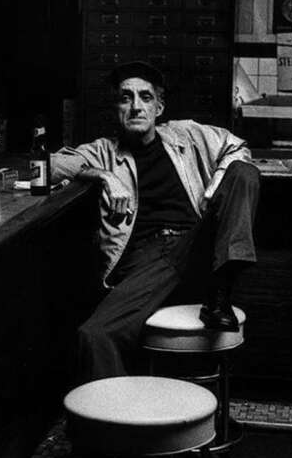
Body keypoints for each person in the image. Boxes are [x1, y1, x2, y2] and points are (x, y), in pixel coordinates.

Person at [52, 60, 260, 386]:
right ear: (115, 107)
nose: (136, 106)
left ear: (159, 106)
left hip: (197, 246)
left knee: (243, 173)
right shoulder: (104, 151)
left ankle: (222, 288)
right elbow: (50, 165)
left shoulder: (186, 135)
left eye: (145, 97)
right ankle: (118, 428)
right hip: (148, 260)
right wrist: (104, 176)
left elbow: (237, 147)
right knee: (95, 335)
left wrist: (213, 186)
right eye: (126, 97)